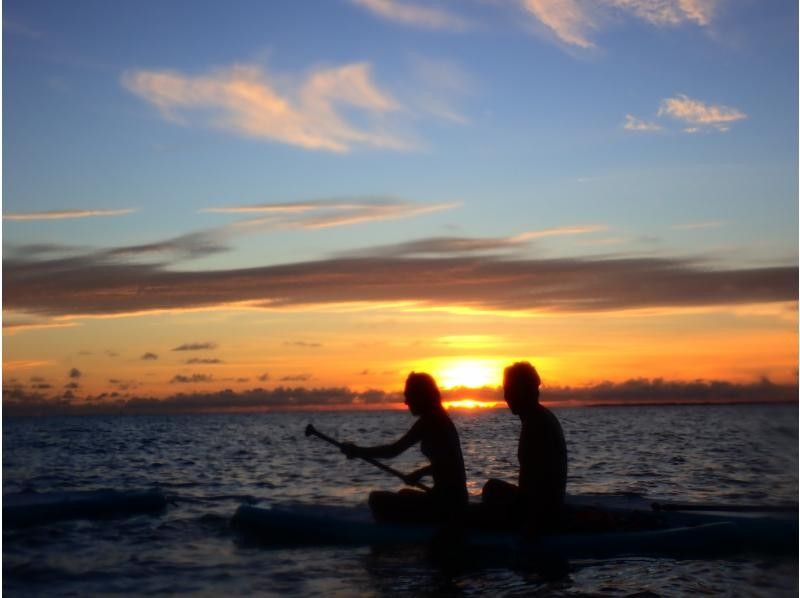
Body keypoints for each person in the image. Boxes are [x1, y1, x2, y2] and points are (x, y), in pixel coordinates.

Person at [341, 372, 468, 524]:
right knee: (404, 494)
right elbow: (445, 463)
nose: (406, 402)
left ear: (420, 396)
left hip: (447, 504)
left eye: (408, 396)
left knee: (377, 499)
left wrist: (358, 451)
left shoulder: (431, 421)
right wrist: (419, 474)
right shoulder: (437, 418)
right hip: (450, 498)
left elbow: (393, 450)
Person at [482, 361, 567, 534]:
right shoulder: (536, 418)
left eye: (511, 390)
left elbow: (540, 480)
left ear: (526, 391)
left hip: (542, 512)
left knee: (492, 489)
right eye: (506, 390)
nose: (506, 396)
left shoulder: (537, 423)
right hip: (542, 506)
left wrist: (531, 525)